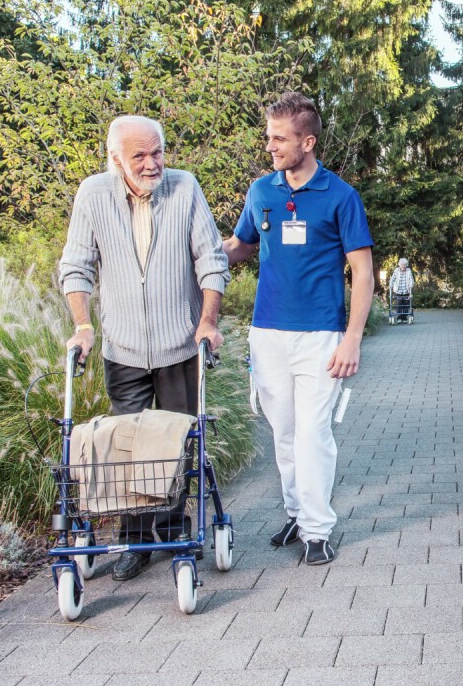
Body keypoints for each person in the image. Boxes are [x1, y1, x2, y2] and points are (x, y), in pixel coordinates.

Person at [59, 115, 229, 581]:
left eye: (158, 152)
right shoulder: (93, 195)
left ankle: (176, 534)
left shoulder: (186, 187)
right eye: (140, 156)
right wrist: (83, 326)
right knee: (129, 447)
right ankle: (135, 542)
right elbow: (76, 267)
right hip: (123, 348)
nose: (153, 163)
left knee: (175, 443)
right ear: (116, 160)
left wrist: (208, 322)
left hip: (180, 344)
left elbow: (211, 261)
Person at [223, 92, 374, 566]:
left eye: (279, 138)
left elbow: (363, 273)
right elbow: (241, 247)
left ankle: (317, 529)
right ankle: (295, 513)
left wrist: (352, 338)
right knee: (284, 433)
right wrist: (196, 256)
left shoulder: (341, 196)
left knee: (313, 434)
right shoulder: (261, 191)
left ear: (307, 141)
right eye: (268, 137)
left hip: (321, 336)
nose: (270, 146)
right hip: (267, 333)